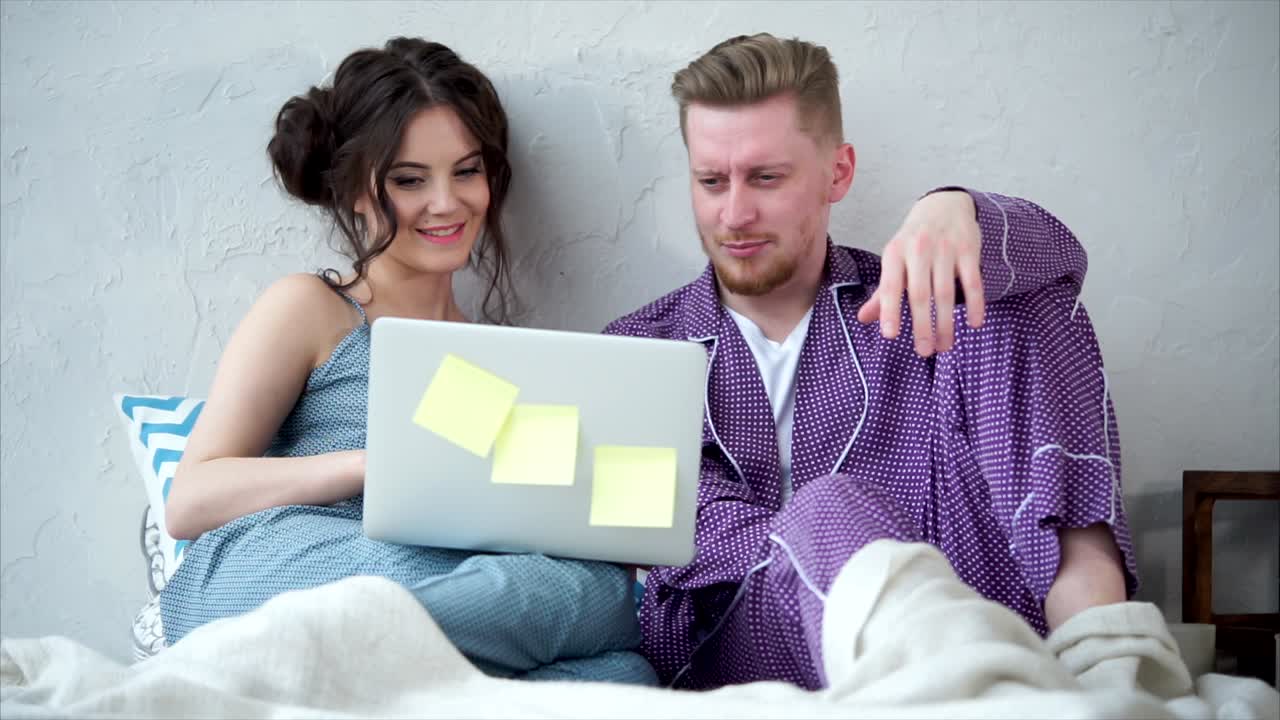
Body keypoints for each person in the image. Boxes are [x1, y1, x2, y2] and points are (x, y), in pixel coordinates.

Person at [604, 33, 1137, 690]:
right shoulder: (638, 350)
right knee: (827, 510)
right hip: (748, 640)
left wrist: (956, 207)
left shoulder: (914, 298)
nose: (734, 213)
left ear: (839, 173)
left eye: (766, 177)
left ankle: (1109, 661)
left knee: (1009, 298)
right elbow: (692, 544)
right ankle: (979, 682)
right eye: (711, 181)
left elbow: (1059, 263)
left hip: (976, 594)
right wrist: (829, 530)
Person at [160, 37, 654, 685]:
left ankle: (370, 666)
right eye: (409, 179)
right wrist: (371, 467)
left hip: (435, 574)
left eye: (467, 171)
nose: (447, 202)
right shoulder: (312, 307)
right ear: (356, 190)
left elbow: (500, 534)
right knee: (418, 585)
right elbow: (190, 500)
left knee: (616, 648)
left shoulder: (503, 360)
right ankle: (351, 645)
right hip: (292, 556)